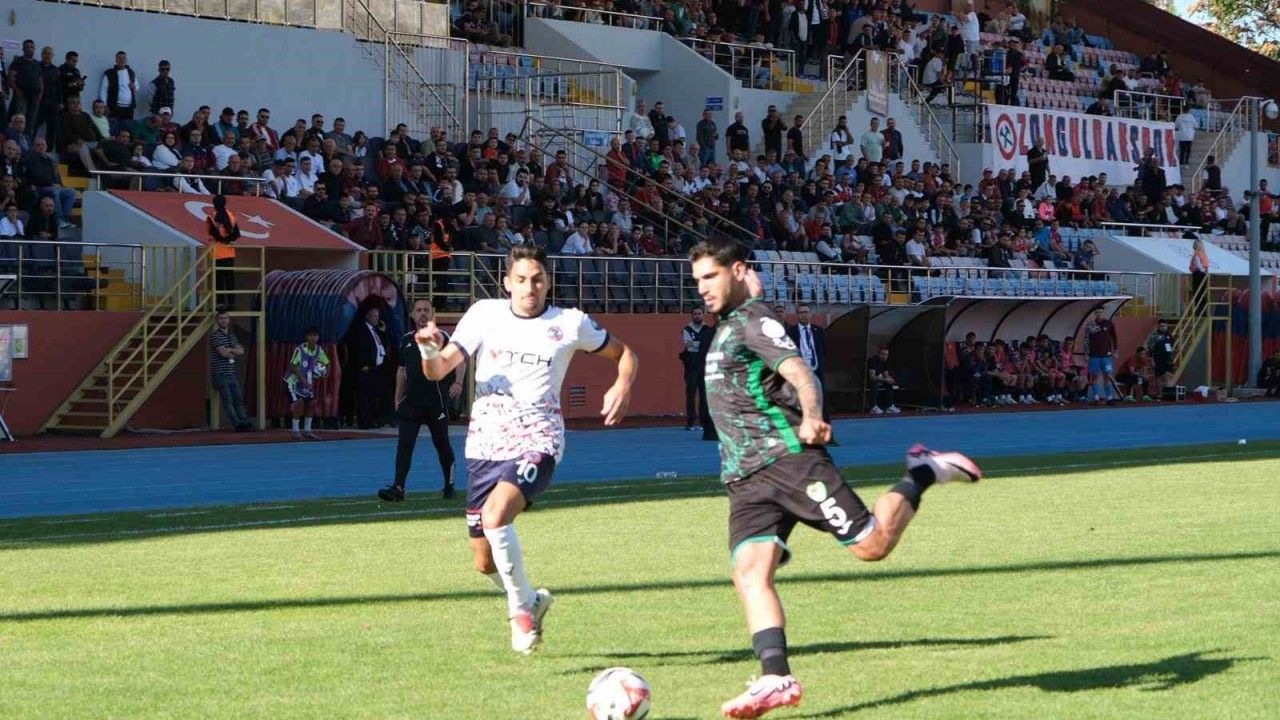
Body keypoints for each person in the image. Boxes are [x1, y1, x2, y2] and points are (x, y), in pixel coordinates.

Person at [688, 238, 981, 719]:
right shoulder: (730, 323)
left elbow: (801, 373)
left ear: (737, 271)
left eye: (710, 276)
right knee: (749, 573)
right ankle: (776, 677)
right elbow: (750, 303)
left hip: (788, 461)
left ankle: (922, 472)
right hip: (744, 476)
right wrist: (748, 291)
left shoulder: (753, 323)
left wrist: (812, 415)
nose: (701, 287)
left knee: (872, 546)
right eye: (697, 279)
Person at [412, 244, 638, 654]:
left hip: (539, 439)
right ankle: (532, 599)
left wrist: (622, 384)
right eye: (521, 280)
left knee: (497, 516)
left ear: (547, 282)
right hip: (484, 446)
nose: (529, 288)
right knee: (483, 561)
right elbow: (438, 369)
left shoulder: (569, 323)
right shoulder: (484, 314)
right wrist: (429, 349)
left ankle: (520, 613)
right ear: (507, 283)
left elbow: (625, 354)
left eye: (537, 279)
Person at [379, 299, 462, 502]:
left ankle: (449, 485)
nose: (422, 313)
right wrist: (397, 397)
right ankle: (398, 488)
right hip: (411, 402)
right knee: (405, 445)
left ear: (432, 313)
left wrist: (459, 382)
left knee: (442, 443)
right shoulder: (406, 340)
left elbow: (460, 360)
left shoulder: (442, 337)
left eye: (426, 310)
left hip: (436, 402)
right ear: (412, 314)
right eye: (418, 310)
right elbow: (401, 370)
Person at [785, 304, 836, 443]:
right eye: (801, 312)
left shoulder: (819, 331)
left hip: (816, 371)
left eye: (806, 312)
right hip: (799, 373)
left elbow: (823, 351)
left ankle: (827, 436)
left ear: (810, 314)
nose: (804, 315)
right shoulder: (790, 332)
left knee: (821, 403)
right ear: (797, 315)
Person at [284, 325, 331, 439]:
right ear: (306, 337)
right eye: (310, 335)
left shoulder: (319, 350)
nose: (313, 338)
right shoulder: (300, 349)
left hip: (307, 382)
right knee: (299, 404)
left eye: (315, 335)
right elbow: (292, 366)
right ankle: (295, 431)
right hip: (293, 382)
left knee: (312, 403)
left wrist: (325, 374)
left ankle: (307, 430)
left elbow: (327, 363)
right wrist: (303, 379)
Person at [210, 308, 252, 432]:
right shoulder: (215, 335)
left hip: (231, 372)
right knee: (228, 400)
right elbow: (223, 353)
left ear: (229, 320)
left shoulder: (232, 336)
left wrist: (229, 350)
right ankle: (237, 424)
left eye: (225, 318)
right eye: (221, 318)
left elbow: (241, 351)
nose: (223, 320)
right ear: (217, 320)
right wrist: (232, 351)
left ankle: (245, 422)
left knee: (238, 399)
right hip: (220, 373)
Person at [349, 306, 390, 429]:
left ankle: (370, 420)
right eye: (374, 316)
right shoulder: (362, 330)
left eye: (377, 316)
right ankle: (363, 421)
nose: (376, 319)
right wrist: (363, 364)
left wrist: (383, 332)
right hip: (366, 368)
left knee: (372, 395)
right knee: (364, 396)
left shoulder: (375, 330)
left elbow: (381, 345)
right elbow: (360, 348)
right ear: (367, 316)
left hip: (376, 368)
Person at [680, 307, 715, 437]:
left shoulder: (707, 329)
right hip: (691, 364)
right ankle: (690, 423)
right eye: (695, 314)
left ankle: (704, 422)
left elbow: (709, 345)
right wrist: (700, 344)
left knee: (704, 394)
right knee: (691, 393)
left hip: (704, 364)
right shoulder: (686, 329)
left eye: (699, 313)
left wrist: (695, 344)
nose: (697, 316)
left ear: (703, 315)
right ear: (692, 315)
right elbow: (687, 345)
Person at [206, 194, 240, 297]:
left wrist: (221, 239)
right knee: (229, 278)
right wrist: (228, 240)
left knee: (218, 279)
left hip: (217, 252)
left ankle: (220, 302)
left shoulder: (212, 217)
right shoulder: (231, 216)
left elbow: (212, 234)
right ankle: (231, 302)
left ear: (214, 204)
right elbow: (237, 234)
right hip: (229, 252)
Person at [1085, 308, 1119, 404]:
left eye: (1100, 312)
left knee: (1107, 375)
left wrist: (1116, 349)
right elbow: (1086, 339)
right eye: (1096, 312)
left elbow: (1114, 336)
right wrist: (1086, 353)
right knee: (1094, 376)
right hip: (1094, 355)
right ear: (1094, 313)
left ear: (1103, 313)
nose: (1098, 314)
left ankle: (1109, 397)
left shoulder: (1109, 323)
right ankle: (1096, 397)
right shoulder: (1090, 325)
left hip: (1106, 355)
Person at [866, 345, 900, 414]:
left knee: (889, 384)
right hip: (868, 381)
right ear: (878, 354)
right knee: (874, 383)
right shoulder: (872, 360)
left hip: (880, 380)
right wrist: (885, 379)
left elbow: (886, 374)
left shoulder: (885, 362)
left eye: (886, 355)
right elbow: (872, 377)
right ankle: (873, 407)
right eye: (882, 354)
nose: (884, 356)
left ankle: (889, 406)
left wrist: (890, 380)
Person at [1148, 318, 1175, 399]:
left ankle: (1167, 394)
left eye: (1165, 326)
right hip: (1158, 359)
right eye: (1161, 326)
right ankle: (1159, 394)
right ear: (1158, 326)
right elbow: (1150, 348)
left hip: (1168, 359)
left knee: (1168, 375)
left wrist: (1170, 357)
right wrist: (1152, 359)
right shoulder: (1154, 336)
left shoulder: (1169, 335)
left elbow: (1171, 345)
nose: (1163, 327)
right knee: (1158, 376)